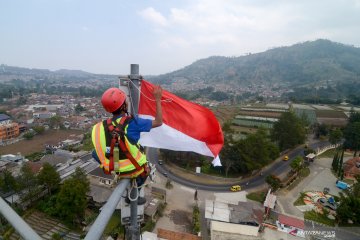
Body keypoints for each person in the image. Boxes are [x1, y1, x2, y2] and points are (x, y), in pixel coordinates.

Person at [91, 85, 163, 190]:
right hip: (134, 170)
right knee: (142, 159)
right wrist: (157, 99)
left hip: (113, 168)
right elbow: (158, 122)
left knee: (94, 152)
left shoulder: (99, 127)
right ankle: (136, 190)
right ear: (124, 105)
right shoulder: (133, 123)